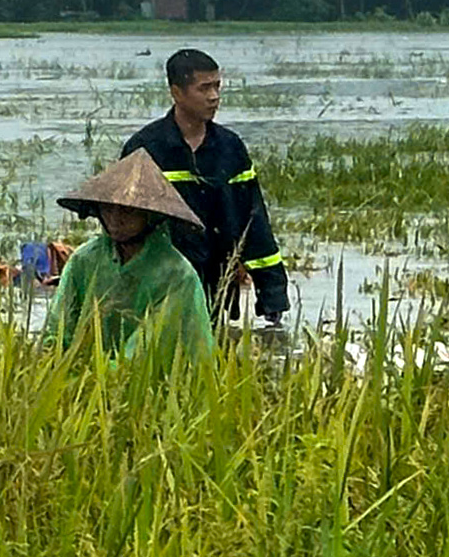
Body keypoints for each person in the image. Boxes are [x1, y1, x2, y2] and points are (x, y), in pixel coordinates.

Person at [123, 49, 289, 328]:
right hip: (160, 283)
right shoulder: (145, 149)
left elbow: (254, 221)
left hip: (217, 284)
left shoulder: (230, 148)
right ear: (177, 92)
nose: (214, 97)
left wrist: (272, 293)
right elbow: (121, 225)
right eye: (204, 88)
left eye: (217, 87)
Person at [48, 150, 215, 364]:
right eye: (108, 209)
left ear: (151, 215)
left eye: (127, 211)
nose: (115, 219)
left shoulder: (175, 274)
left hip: (154, 379)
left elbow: (146, 350)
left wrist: (103, 376)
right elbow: (59, 325)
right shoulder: (85, 259)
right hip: (88, 375)